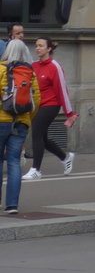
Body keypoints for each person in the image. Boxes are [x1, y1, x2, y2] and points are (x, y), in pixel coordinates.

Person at [23, 37, 76, 180]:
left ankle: (36, 170)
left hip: (51, 105)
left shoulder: (55, 66)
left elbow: (62, 90)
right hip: (37, 106)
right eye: (36, 46)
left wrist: (69, 112)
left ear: (49, 49)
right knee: (43, 139)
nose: (37, 48)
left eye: (41, 46)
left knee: (37, 133)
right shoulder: (33, 65)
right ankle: (65, 158)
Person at [0, 39, 40, 215]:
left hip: (1, 121)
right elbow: (37, 99)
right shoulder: (30, 73)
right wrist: (27, 118)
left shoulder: (1, 69)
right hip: (21, 122)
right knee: (15, 162)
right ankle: (12, 205)